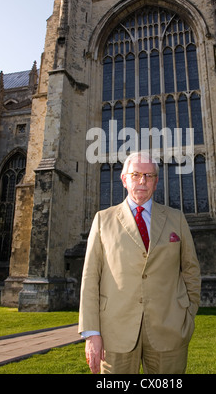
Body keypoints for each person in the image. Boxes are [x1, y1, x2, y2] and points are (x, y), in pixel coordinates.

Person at [78, 152, 201, 374]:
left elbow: (191, 270)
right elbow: (89, 279)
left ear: (156, 181)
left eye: (148, 175)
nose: (142, 181)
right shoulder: (103, 220)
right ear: (124, 180)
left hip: (170, 329)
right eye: (135, 175)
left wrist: (187, 314)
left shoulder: (176, 218)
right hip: (114, 332)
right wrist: (91, 332)